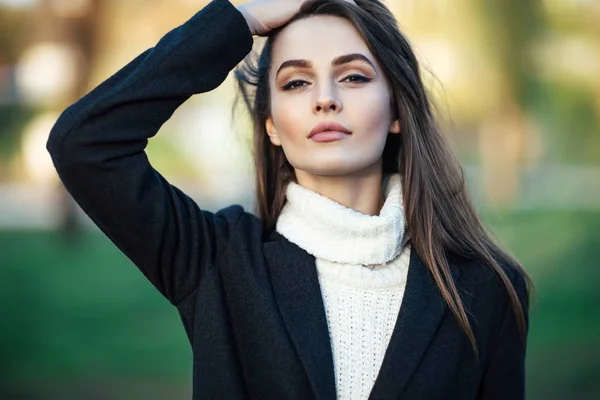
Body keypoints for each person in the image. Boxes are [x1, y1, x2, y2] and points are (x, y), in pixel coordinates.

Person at [46, 0, 534, 398]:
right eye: (296, 82)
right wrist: (238, 20)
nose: (325, 98)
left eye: (354, 77)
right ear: (273, 126)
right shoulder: (217, 262)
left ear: (396, 113)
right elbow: (84, 143)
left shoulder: (486, 287)